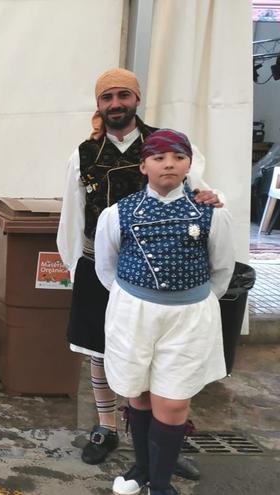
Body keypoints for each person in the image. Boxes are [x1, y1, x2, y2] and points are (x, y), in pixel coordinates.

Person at [56, 69, 218, 473]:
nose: (115, 104)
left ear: (136, 99)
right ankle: (106, 427)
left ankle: (162, 445)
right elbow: (72, 214)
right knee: (100, 348)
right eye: (107, 97)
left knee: (164, 356)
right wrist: (78, 268)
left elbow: (198, 193)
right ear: (99, 104)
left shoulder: (168, 144)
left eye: (123, 95)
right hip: (100, 263)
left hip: (167, 271)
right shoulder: (82, 154)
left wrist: (212, 197)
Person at [94, 128, 233, 495]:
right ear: (143, 166)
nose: (168, 164)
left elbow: (221, 270)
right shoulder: (117, 213)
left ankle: (162, 483)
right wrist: (137, 298)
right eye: (158, 157)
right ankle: (142, 467)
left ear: (189, 165)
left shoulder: (211, 212)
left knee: (173, 403)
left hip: (188, 318)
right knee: (137, 394)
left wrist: (190, 301)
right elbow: (107, 268)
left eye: (177, 157)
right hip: (134, 315)